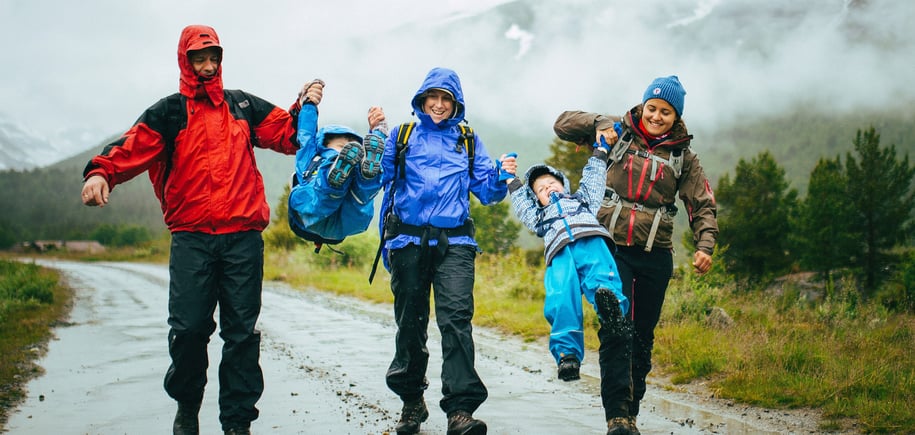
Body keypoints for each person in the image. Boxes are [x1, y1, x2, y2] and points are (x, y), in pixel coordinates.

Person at [80, 24, 316, 435]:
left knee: (241, 335)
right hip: (192, 239)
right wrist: (100, 173)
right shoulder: (169, 113)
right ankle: (187, 408)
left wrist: (305, 105)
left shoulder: (241, 105)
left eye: (213, 58)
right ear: (185, 62)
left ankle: (237, 423)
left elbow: (290, 135)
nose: (208, 66)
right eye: (199, 59)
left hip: (243, 239)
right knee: (189, 331)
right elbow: (131, 147)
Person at [553, 75, 718, 435]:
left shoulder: (683, 158)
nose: (657, 116)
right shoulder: (618, 132)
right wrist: (600, 124)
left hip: (655, 257)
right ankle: (617, 416)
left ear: (676, 117)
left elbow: (702, 205)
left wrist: (705, 245)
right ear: (643, 106)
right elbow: (562, 124)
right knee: (616, 330)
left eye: (666, 112)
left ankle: (631, 412)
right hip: (611, 252)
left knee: (641, 337)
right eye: (652, 108)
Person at [377, 67, 516, 435]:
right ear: (421, 100)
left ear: (456, 104)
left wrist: (501, 176)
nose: (438, 105)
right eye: (432, 98)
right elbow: (381, 178)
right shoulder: (402, 135)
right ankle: (411, 402)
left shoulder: (468, 140)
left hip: (455, 243)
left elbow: (486, 192)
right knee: (411, 323)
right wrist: (376, 137)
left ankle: (460, 410)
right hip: (407, 241)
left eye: (446, 99)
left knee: (456, 322)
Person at [504, 144, 631, 386]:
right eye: (540, 189)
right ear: (537, 200)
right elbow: (522, 204)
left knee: (603, 277)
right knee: (562, 298)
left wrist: (600, 152)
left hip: (590, 239)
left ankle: (613, 312)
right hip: (559, 250)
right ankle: (567, 355)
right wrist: (511, 180)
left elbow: (593, 179)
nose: (547, 188)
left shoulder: (583, 201)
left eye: (551, 182)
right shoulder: (539, 217)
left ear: (563, 184)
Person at [287, 79, 388, 249]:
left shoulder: (357, 162)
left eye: (349, 148)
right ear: (323, 145)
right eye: (341, 146)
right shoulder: (311, 154)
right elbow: (306, 133)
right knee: (355, 193)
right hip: (312, 214)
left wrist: (379, 129)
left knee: (365, 180)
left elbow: (372, 154)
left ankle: (359, 175)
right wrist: (309, 104)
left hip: (344, 218)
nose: (345, 149)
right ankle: (338, 178)